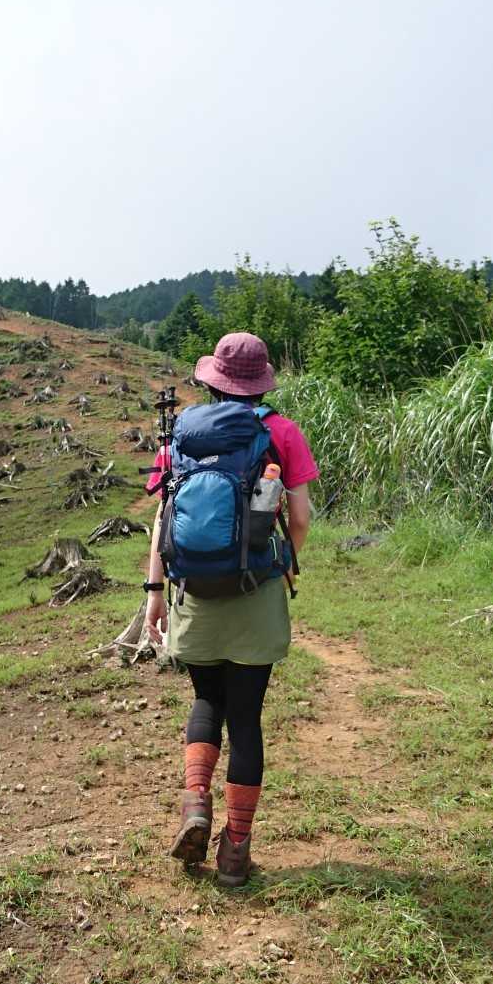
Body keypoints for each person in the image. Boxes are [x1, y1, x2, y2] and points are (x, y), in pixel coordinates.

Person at [143, 331, 316, 887]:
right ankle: (235, 852)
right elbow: (300, 517)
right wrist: (285, 563)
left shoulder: (182, 434)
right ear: (262, 380)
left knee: (205, 700)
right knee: (245, 719)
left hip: (195, 591)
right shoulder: (282, 432)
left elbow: (163, 518)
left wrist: (154, 592)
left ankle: (195, 803)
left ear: (213, 380)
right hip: (255, 591)